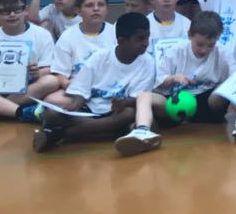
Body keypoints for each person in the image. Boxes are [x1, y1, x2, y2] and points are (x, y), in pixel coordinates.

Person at [118, 10, 236, 154]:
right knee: (144, 95)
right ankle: (142, 131)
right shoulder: (175, 51)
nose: (204, 50)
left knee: (235, 84)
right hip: (174, 102)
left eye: (210, 45)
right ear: (189, 35)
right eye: (200, 44)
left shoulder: (222, 52)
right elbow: (159, 82)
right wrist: (174, 78)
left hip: (207, 104)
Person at [32, 12, 155, 153]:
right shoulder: (99, 57)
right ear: (121, 41)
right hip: (90, 110)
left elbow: (140, 98)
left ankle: (58, 135)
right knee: (51, 115)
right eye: (140, 39)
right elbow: (81, 90)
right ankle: (108, 131)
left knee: (129, 114)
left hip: (116, 112)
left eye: (147, 37)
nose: (146, 43)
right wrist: (75, 105)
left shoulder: (148, 62)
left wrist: (124, 103)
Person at [43, 0, 116, 103]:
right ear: (78, 11)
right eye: (89, 5)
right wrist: (68, 85)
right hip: (78, 89)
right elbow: (59, 73)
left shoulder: (116, 33)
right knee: (52, 100)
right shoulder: (68, 36)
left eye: (101, 5)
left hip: (110, 87)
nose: (96, 9)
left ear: (107, 9)